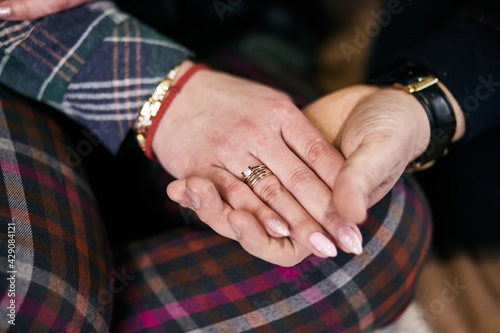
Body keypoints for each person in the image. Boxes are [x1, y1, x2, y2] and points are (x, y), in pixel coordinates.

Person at [2, 0, 493, 332]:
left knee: (366, 234)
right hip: (43, 38)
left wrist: (423, 106)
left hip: (234, 39)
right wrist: (160, 89)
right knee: (31, 302)